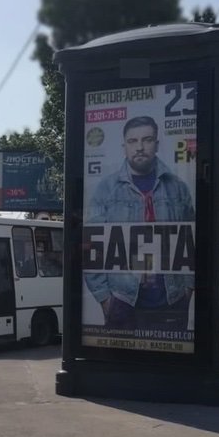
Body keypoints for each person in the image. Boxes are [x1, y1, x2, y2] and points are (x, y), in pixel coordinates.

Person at [85, 115, 195, 330]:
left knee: (172, 362)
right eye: (133, 141)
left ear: (156, 144)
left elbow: (193, 242)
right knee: (119, 363)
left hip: (172, 300)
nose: (140, 147)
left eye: (147, 140)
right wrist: (106, 300)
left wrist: (188, 290)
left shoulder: (178, 187)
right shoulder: (106, 189)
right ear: (124, 146)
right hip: (123, 301)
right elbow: (92, 249)